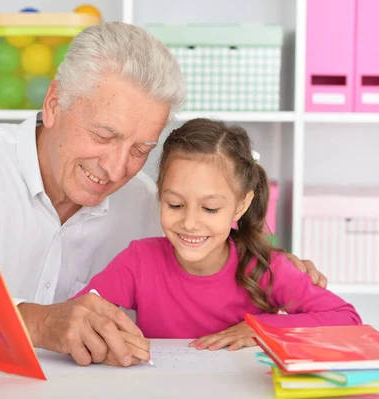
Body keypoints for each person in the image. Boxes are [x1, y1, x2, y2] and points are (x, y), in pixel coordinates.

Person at [0, 22, 328, 368]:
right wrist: (34, 322)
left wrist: (275, 281)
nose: (117, 169)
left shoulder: (148, 203)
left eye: (140, 149)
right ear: (54, 103)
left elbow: (214, 257)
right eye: (104, 135)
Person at [73, 118, 362, 354]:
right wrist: (108, 341)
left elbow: (347, 320)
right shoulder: (139, 260)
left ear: (240, 205)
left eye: (210, 208)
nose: (190, 222)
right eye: (175, 204)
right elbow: (80, 315)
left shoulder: (265, 267)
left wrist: (262, 328)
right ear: (160, 193)